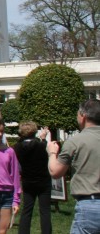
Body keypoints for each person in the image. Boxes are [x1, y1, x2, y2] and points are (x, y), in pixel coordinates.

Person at [47, 99, 100, 234]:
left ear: (83, 116)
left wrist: (52, 153)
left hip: (89, 204)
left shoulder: (75, 141)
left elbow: (55, 171)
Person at [12, 121, 51, 234]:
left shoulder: (17, 148)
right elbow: (44, 146)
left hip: (28, 181)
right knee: (45, 211)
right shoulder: (40, 145)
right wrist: (43, 138)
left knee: (27, 210)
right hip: (43, 180)